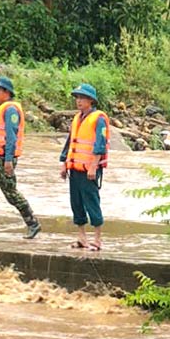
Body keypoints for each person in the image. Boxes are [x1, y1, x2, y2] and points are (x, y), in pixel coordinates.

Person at [0, 76, 41, 239]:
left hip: (2, 158)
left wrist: (8, 160)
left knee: (11, 193)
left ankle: (32, 223)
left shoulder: (10, 109)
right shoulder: (0, 107)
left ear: (6, 92)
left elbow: (11, 137)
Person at [59, 83, 109, 251]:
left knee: (92, 202)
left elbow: (100, 144)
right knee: (76, 202)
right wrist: (64, 163)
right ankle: (82, 237)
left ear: (91, 100)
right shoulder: (77, 118)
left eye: (82, 98)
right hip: (75, 168)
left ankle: (97, 239)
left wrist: (93, 167)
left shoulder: (99, 119)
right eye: (77, 98)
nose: (78, 101)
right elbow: (69, 142)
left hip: (89, 169)